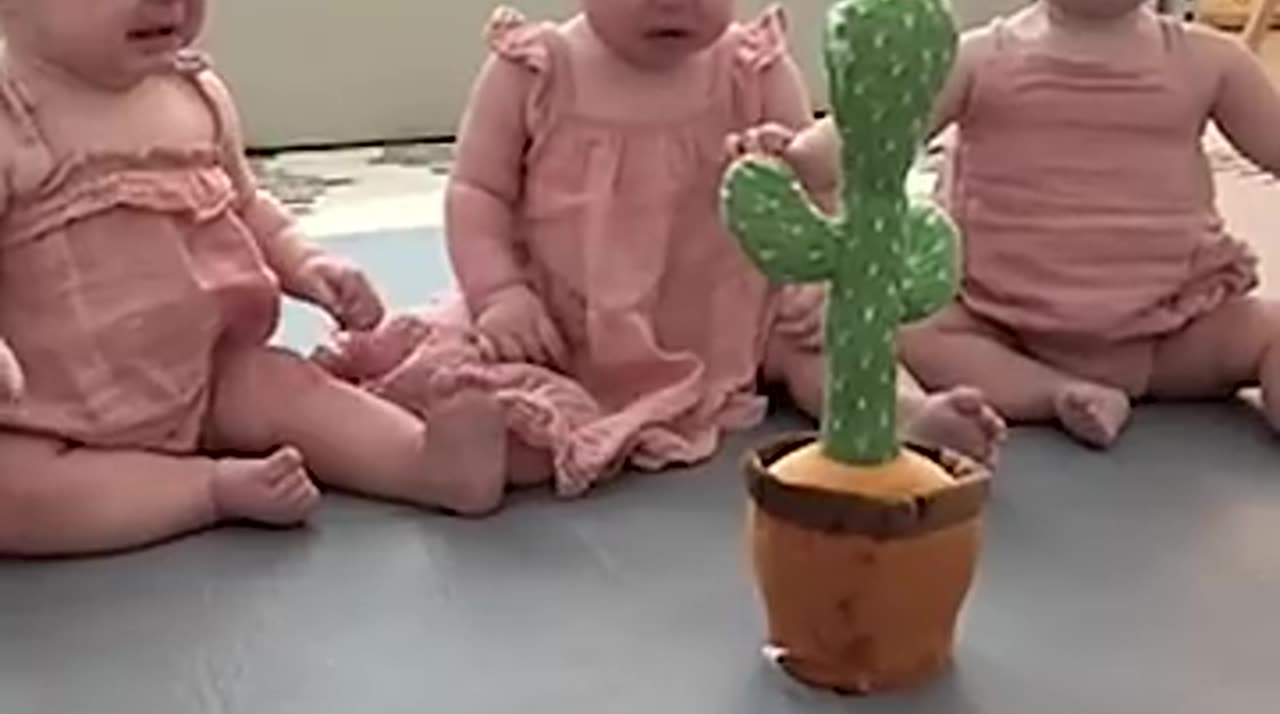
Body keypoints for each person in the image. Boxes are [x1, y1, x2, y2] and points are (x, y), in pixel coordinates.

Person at [315, 0, 1006, 506]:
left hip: (732, 314)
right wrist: (500, 294)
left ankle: (907, 415)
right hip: (572, 323)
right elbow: (478, 192)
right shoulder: (537, 69)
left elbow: (812, 187)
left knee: (831, 343)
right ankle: (470, 456)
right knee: (519, 389)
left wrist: (806, 278)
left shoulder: (751, 68)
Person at [0, 0, 507, 558]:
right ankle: (205, 491)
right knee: (16, 497)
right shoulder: (13, 119)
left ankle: (424, 464)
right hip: (52, 413)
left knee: (290, 388)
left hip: (208, 375)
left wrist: (305, 262)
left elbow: (246, 204)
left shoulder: (191, 95)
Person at [739, 0, 1280, 448]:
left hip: (1172, 328)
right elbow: (879, 127)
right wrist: (802, 156)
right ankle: (1056, 392)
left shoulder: (1213, 62)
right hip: (1004, 327)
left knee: (1270, 332)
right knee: (898, 323)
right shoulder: (980, 58)